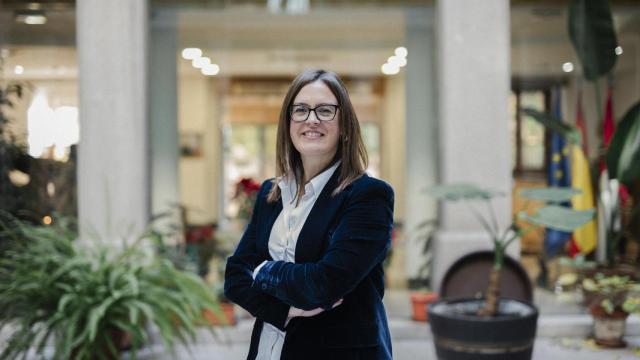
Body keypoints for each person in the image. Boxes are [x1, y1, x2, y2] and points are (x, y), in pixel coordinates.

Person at [224, 69, 394, 360]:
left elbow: (325, 284)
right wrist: (283, 310)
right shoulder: (271, 193)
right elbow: (234, 278)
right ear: (288, 122)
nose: (311, 119)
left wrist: (264, 270)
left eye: (325, 110)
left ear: (345, 125)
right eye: (301, 110)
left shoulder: (369, 196)